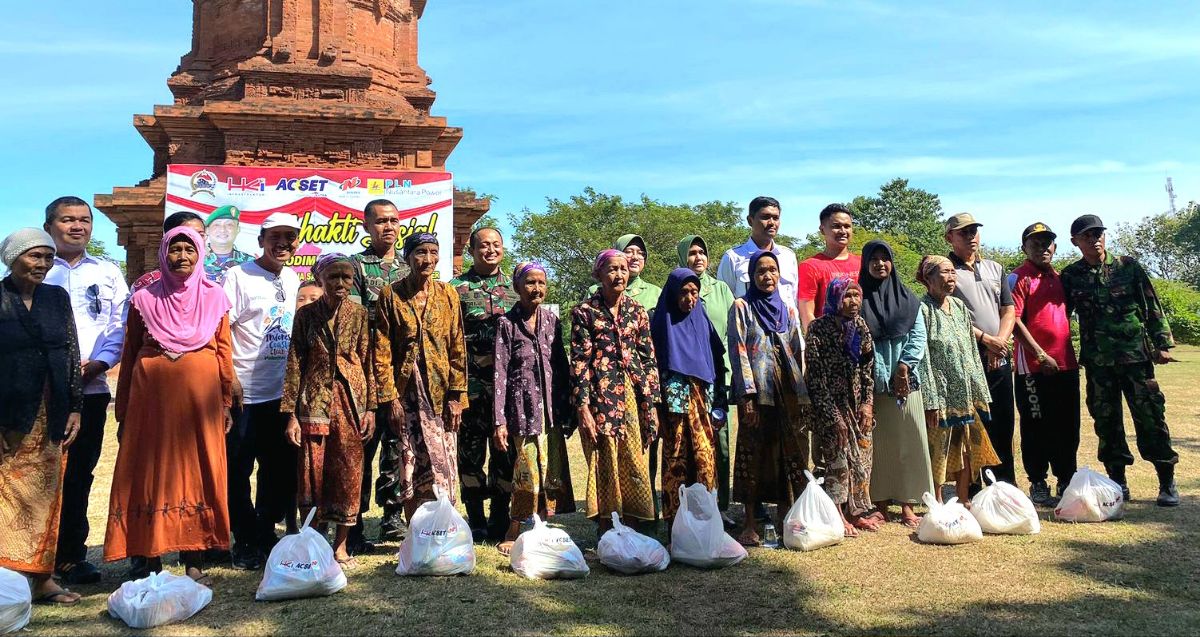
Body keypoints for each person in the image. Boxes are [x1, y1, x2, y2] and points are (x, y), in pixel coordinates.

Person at [105, 227, 234, 585]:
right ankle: (150, 561)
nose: (182, 256)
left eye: (189, 250)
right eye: (174, 249)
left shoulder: (214, 298)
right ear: (164, 254)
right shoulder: (144, 299)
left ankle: (194, 559)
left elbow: (224, 352)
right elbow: (130, 352)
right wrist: (124, 411)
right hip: (151, 401)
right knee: (149, 472)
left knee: (198, 471)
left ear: (200, 255)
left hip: (201, 403)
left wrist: (225, 402)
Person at [1061, 214, 1179, 506]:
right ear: (1075, 241)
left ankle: (1166, 482)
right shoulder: (1071, 276)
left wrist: (1162, 343)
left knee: (1151, 418)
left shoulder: (1128, 267)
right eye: (1087, 236)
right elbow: (1059, 316)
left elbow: (1150, 303)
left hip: (1135, 359)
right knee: (1106, 422)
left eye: (1098, 233)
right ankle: (1118, 483)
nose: (1095, 239)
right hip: (1099, 364)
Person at [42, 197, 128, 585]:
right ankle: (30, 555)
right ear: (49, 227)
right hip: (41, 390)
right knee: (38, 474)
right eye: (67, 220)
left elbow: (119, 324)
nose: (77, 226)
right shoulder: (38, 268)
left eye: (84, 220)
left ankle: (71, 556)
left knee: (80, 473)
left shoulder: (107, 272)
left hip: (91, 388)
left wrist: (101, 363)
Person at [0, 228, 83, 606]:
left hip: (52, 411)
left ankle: (43, 579)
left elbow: (70, 351)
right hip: (9, 414)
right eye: (35, 256)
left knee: (46, 496)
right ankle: (9, 581)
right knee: (6, 497)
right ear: (12, 258)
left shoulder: (56, 297)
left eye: (48, 258)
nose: (43, 264)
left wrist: (76, 407)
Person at [282, 254, 376, 567]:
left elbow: (368, 360)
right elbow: (295, 362)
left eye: (346, 278)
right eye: (333, 277)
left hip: (351, 401)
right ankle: (314, 542)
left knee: (349, 469)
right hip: (314, 401)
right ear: (320, 279)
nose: (339, 284)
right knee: (312, 472)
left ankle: (341, 546)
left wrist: (371, 408)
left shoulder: (360, 314)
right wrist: (291, 413)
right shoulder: (307, 315)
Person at [222, 212, 303, 569]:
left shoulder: (294, 277)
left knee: (277, 470)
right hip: (246, 394)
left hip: (282, 394)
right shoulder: (238, 276)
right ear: (261, 240)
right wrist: (230, 380)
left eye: (290, 237)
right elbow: (221, 330)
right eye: (276, 236)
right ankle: (244, 538)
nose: (283, 243)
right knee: (237, 470)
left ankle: (266, 531)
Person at [374, 233, 468, 521]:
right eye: (420, 253)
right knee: (409, 457)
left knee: (444, 457)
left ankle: (444, 525)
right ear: (407, 257)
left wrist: (456, 395)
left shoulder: (448, 294)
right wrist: (390, 398)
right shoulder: (391, 295)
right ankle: (415, 527)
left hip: (441, 393)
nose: (427, 259)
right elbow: (382, 351)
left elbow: (457, 345)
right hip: (406, 393)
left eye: (432, 252)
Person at [570, 250, 660, 532]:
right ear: (598, 274)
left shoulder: (637, 310)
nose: (619, 274)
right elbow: (580, 361)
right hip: (601, 396)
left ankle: (633, 524)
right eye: (611, 269)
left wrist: (653, 402)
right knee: (605, 455)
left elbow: (648, 357)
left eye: (623, 269)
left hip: (634, 395)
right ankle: (608, 526)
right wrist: (582, 406)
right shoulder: (585, 312)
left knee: (634, 455)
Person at [492, 261, 576, 555]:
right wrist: (499, 421)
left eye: (541, 282)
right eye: (530, 283)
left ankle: (541, 526)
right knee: (526, 470)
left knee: (550, 470)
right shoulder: (506, 324)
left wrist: (569, 411)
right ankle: (513, 528)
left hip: (550, 411)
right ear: (516, 287)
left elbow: (561, 367)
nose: (536, 288)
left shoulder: (553, 322)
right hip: (521, 409)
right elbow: (500, 372)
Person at [728, 251, 809, 546]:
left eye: (773, 271)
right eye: (761, 271)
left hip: (786, 393)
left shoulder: (786, 310)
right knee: (753, 454)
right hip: (757, 395)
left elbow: (796, 349)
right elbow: (738, 351)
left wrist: (801, 393)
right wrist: (746, 396)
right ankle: (749, 523)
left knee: (788, 453)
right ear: (752, 275)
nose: (767, 276)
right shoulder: (742, 307)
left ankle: (786, 517)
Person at [349, 199, 411, 547]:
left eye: (394, 221)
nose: (389, 227)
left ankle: (393, 517)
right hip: (367, 371)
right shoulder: (357, 266)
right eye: (381, 221)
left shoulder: (409, 266)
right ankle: (353, 522)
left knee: (397, 446)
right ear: (367, 227)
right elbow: (357, 320)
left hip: (403, 373)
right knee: (362, 447)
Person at [450, 228, 520, 540]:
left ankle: (500, 516)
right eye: (483, 246)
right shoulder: (455, 289)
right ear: (471, 250)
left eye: (496, 245)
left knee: (505, 455)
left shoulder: (517, 287)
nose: (490, 250)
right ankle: (476, 519)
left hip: (507, 391)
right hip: (471, 389)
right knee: (470, 454)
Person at [915, 255, 1001, 505]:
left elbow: (972, 351)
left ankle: (963, 498)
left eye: (954, 272)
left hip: (964, 391)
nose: (951, 277)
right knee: (939, 448)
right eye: (945, 272)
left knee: (966, 447)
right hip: (940, 392)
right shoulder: (922, 310)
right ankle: (938, 500)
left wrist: (978, 389)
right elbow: (924, 358)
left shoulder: (959, 307)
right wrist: (930, 399)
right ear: (928, 278)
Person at [859, 240, 932, 528]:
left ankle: (907, 504)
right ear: (865, 263)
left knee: (909, 441)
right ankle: (878, 503)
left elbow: (917, 337)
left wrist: (904, 367)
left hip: (905, 383)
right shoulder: (858, 297)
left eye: (885, 259)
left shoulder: (909, 299)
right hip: (871, 384)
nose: (880, 264)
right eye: (874, 259)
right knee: (877, 445)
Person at [650, 268, 728, 530]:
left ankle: (706, 522)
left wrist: (719, 405)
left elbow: (717, 363)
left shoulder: (702, 321)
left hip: (702, 407)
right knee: (676, 462)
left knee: (705, 460)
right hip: (674, 410)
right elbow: (652, 369)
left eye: (694, 292)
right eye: (683, 292)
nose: (689, 298)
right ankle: (676, 526)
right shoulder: (661, 323)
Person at [1009, 223, 1080, 507]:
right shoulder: (1018, 278)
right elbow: (1012, 320)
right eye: (1035, 243)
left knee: (1068, 425)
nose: (1042, 248)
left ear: (1055, 247)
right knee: (1036, 425)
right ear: (1025, 247)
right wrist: (1039, 354)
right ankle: (1038, 481)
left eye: (1047, 242)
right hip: (1034, 368)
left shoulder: (1061, 278)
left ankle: (1066, 479)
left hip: (1066, 365)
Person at [944, 213, 1017, 485]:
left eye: (974, 230)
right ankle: (975, 486)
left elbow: (1008, 309)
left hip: (998, 355)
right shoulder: (945, 269)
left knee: (1003, 421)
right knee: (974, 424)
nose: (971, 236)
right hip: (968, 358)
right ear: (949, 237)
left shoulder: (995, 268)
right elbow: (947, 313)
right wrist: (986, 340)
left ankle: (1006, 483)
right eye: (963, 232)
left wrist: (999, 341)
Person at [806, 277, 877, 536]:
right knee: (837, 460)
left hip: (857, 405)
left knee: (862, 460)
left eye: (856, 296)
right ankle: (836, 513)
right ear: (835, 298)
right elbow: (814, 376)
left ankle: (855, 512)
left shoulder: (860, 328)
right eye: (847, 296)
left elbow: (869, 369)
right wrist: (833, 416)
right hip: (829, 406)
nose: (853, 302)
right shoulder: (818, 329)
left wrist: (867, 404)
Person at [676, 235, 737, 524]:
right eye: (691, 253)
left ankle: (720, 507)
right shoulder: (677, 287)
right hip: (686, 379)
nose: (698, 257)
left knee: (720, 443)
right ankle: (687, 506)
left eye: (702, 252)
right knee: (686, 446)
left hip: (718, 374)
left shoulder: (721, 289)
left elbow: (731, 334)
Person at [718, 196, 799, 311]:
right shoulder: (733, 258)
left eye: (776, 218)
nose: (771, 223)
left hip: (785, 327)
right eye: (765, 217)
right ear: (750, 221)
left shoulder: (788, 256)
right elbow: (724, 303)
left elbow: (794, 300)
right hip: (749, 327)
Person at [797, 203, 860, 329]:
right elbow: (806, 312)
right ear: (822, 229)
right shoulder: (810, 266)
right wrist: (817, 340)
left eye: (847, 226)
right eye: (836, 226)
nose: (843, 231)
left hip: (860, 337)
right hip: (828, 339)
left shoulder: (862, 262)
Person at [132, 211, 207, 291]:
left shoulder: (214, 285)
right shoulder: (146, 285)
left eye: (201, 235)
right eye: (188, 234)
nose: (196, 240)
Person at [203, 205, 253, 283]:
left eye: (229, 225)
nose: (222, 229)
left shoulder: (251, 263)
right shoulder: (196, 259)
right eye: (217, 225)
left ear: (238, 229)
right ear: (207, 230)